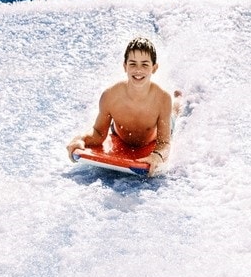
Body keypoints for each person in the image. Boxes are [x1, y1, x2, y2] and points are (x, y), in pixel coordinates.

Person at [67, 37, 179, 176]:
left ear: (154, 68)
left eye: (145, 64)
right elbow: (99, 133)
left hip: (154, 134)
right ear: (125, 66)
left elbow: (164, 143)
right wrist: (81, 139)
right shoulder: (110, 96)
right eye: (133, 64)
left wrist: (157, 155)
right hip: (119, 132)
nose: (138, 70)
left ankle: (178, 100)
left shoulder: (162, 99)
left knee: (173, 113)